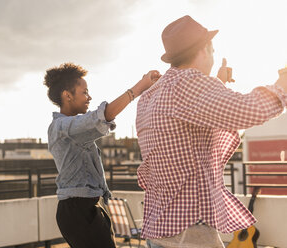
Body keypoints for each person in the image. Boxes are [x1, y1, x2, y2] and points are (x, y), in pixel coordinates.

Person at [136, 15, 287, 248]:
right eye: (213, 50)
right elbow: (252, 110)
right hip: (189, 232)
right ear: (205, 49)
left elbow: (186, 129)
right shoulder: (188, 83)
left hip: (161, 226)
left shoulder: (150, 95)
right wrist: (282, 83)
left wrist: (218, 84)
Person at [44, 63, 160, 248]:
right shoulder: (63, 127)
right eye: (84, 92)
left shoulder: (72, 127)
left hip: (87, 208)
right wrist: (139, 87)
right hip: (78, 211)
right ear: (67, 95)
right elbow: (103, 116)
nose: (89, 97)